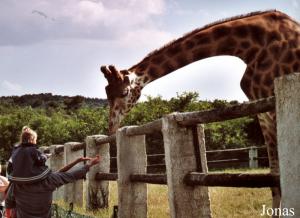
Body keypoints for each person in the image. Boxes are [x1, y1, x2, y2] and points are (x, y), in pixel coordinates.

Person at [5, 126, 101, 218]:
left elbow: (8, 205)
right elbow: (71, 175)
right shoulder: (49, 181)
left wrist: (76, 161)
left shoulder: (16, 185)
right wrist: (89, 165)